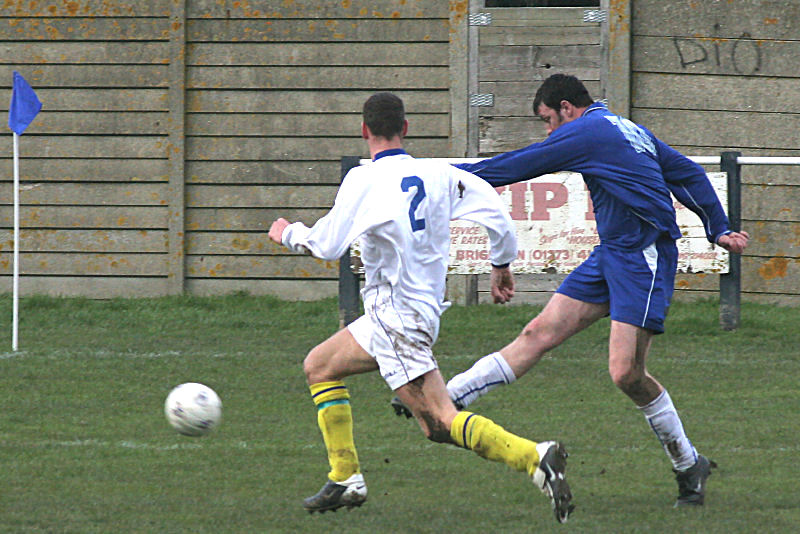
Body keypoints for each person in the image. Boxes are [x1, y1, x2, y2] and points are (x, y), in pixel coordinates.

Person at [392, 74, 749, 507]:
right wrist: (719, 226)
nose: (549, 131)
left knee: (626, 374)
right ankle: (445, 399)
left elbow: (517, 165)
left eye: (547, 120)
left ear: (566, 107)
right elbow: (687, 173)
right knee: (537, 334)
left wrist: (438, 177)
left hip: (645, 255)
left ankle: (688, 462)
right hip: (612, 253)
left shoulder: (586, 131)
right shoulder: (623, 127)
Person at [268, 92, 575, 523]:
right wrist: (501, 266)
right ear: (406, 129)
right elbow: (498, 216)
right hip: (406, 316)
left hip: (397, 320)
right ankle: (345, 477)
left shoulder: (364, 179)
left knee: (439, 423)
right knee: (319, 365)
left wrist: (286, 233)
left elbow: (327, 244)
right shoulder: (438, 173)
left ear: (364, 131)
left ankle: (534, 457)